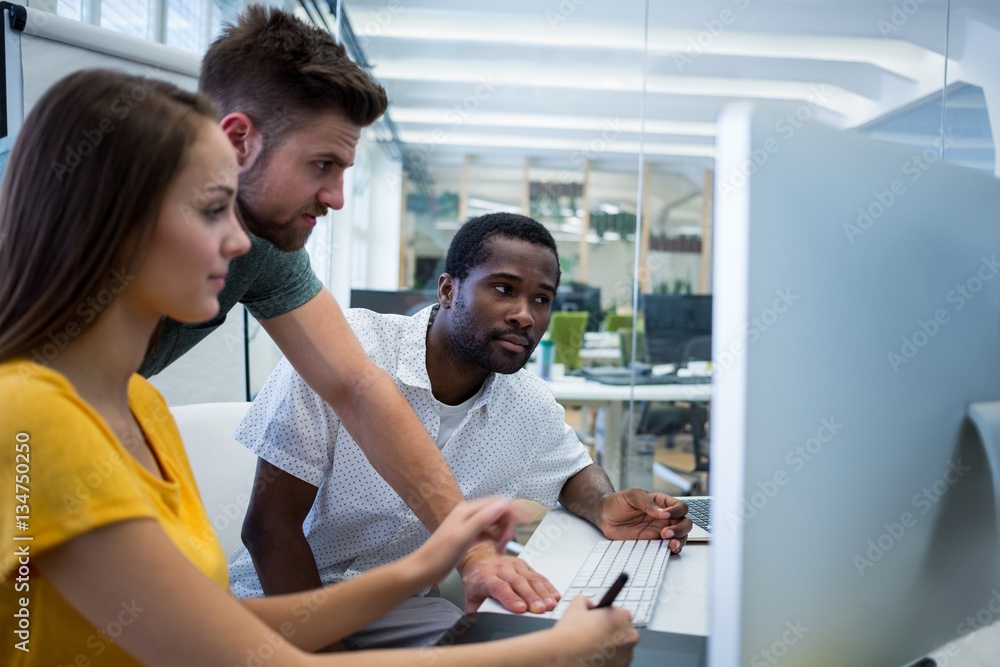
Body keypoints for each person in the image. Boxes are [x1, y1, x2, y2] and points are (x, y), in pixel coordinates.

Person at [0, 69, 638, 667]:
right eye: (210, 209)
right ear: (117, 223)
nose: (239, 242)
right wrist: (554, 650)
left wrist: (433, 560)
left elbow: (230, 632)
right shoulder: (35, 418)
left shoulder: (142, 407)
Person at [231, 212, 694, 648]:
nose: (524, 316)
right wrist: (330, 655)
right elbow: (269, 529)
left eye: (541, 299)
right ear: (448, 290)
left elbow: (573, 472)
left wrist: (604, 504)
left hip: (401, 609)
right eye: (503, 289)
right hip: (281, 601)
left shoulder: (526, 403)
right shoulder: (348, 351)